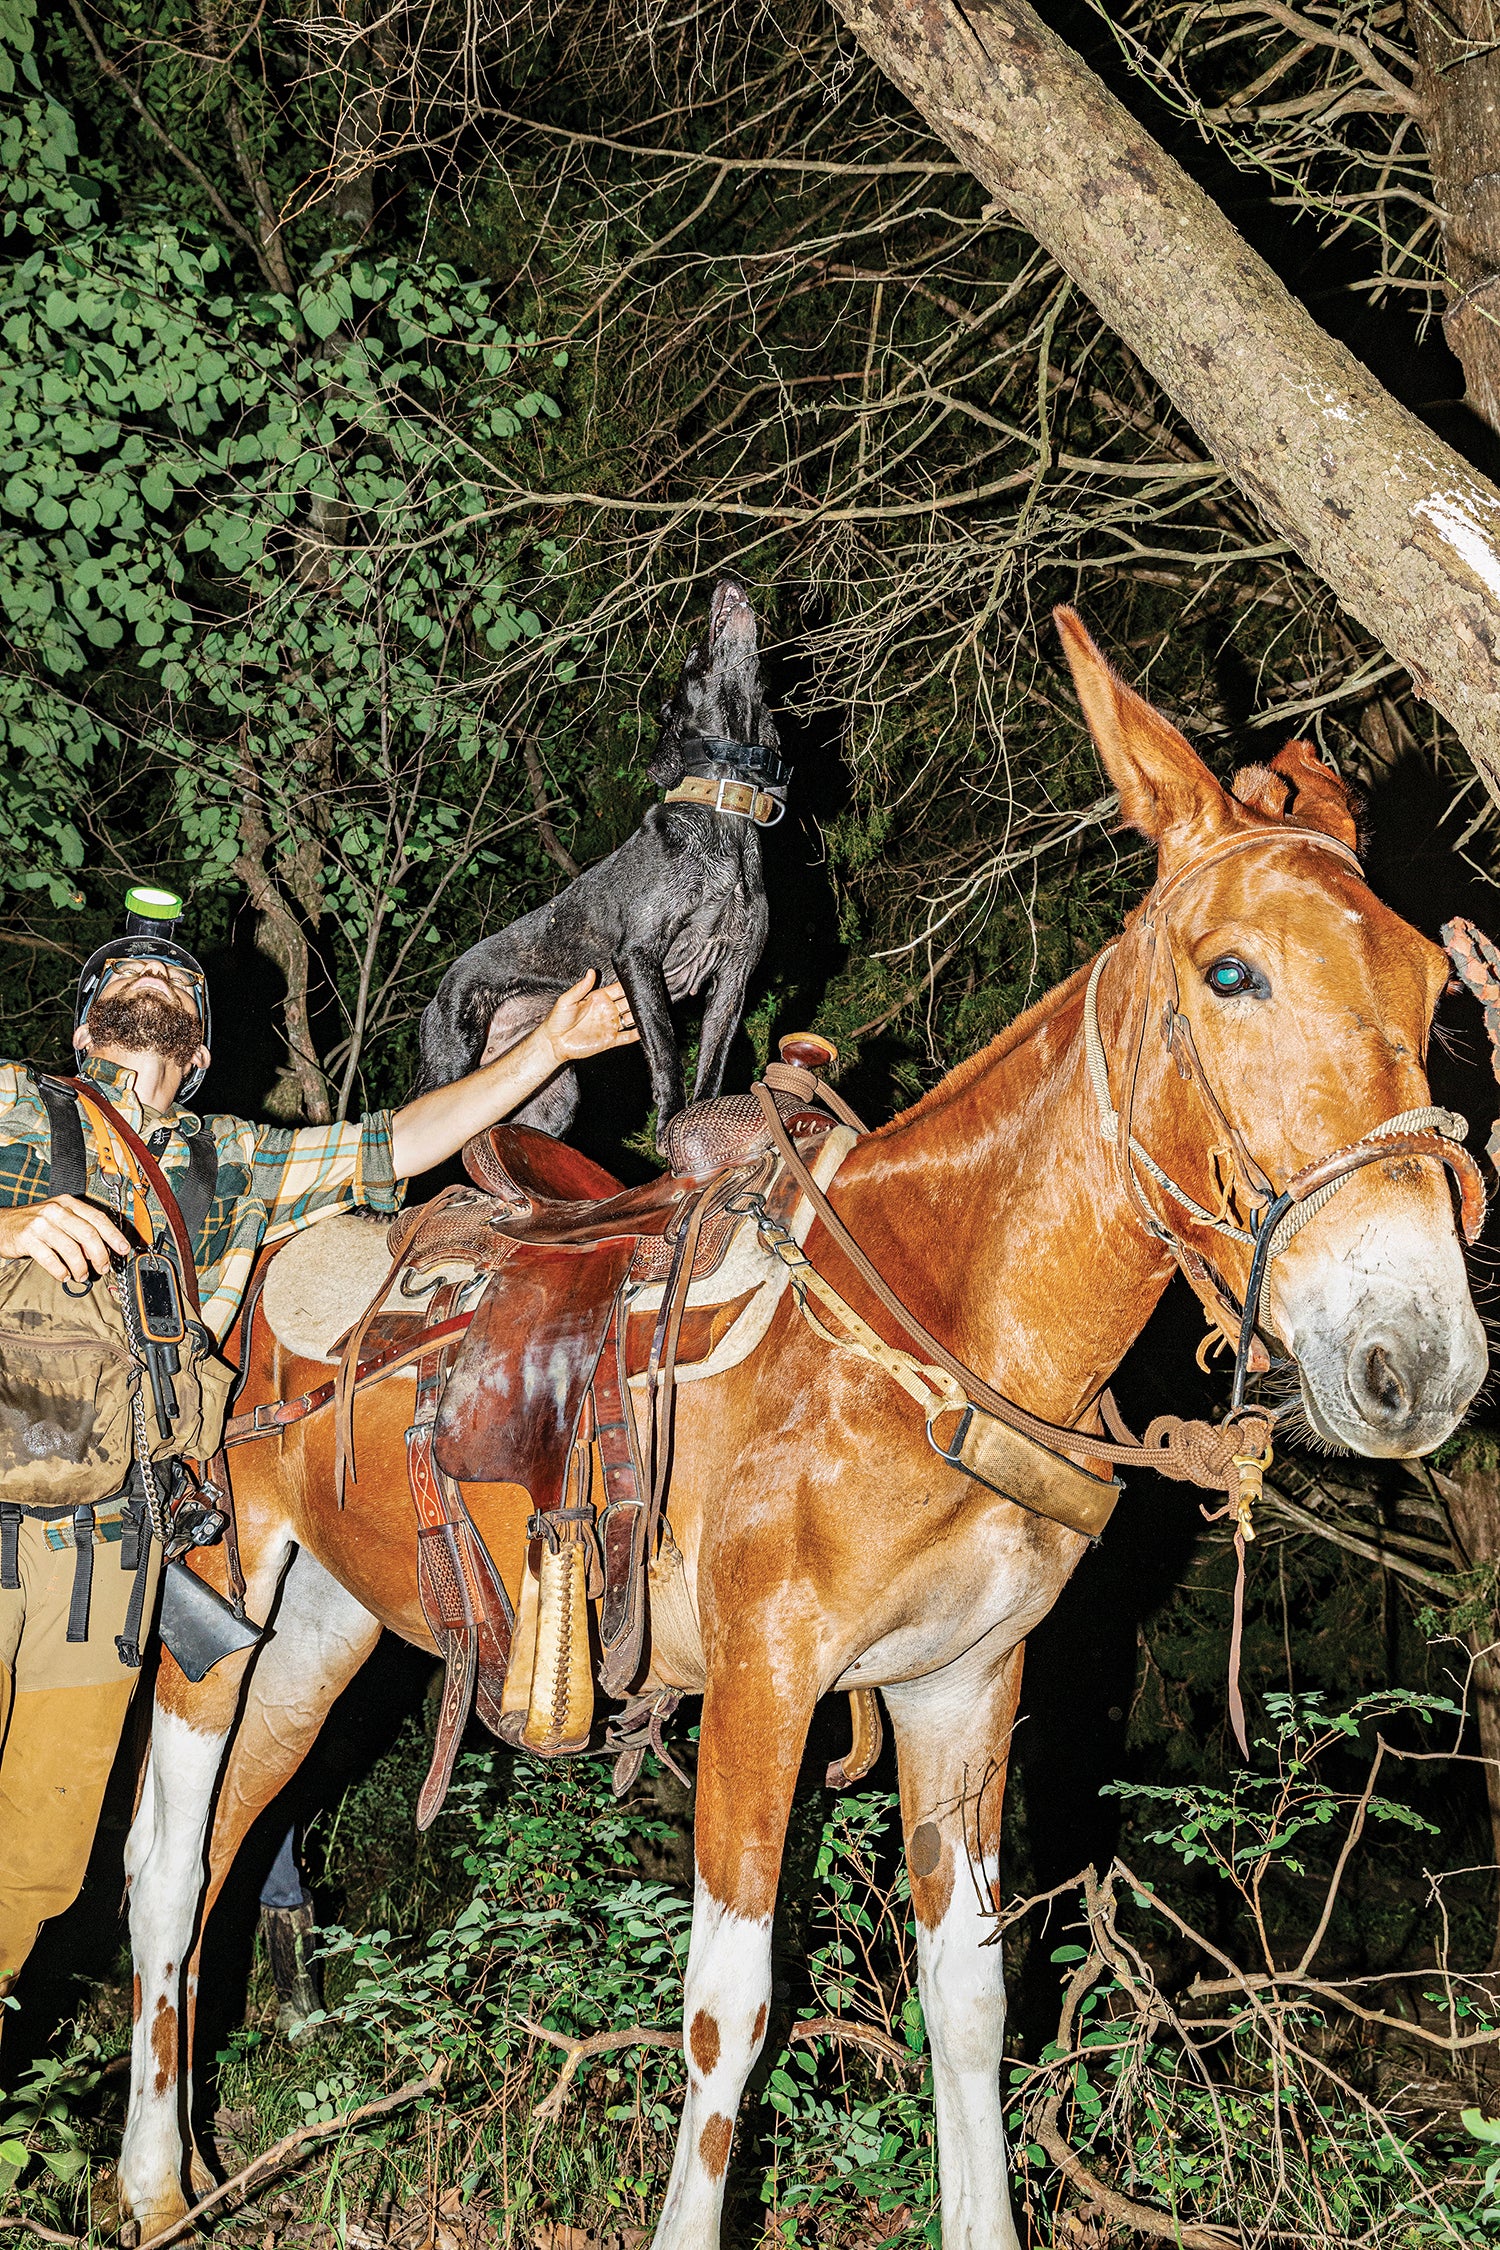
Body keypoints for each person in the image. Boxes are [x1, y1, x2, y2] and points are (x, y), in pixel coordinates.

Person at [0, 888, 637, 2006]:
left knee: (35, 1867)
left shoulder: (233, 1165)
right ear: (84, 1022)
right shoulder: (12, 1107)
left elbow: (400, 1140)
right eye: (126, 976)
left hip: (103, 1562)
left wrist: (552, 1045)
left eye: (175, 985)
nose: (150, 983)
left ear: (197, 1049)